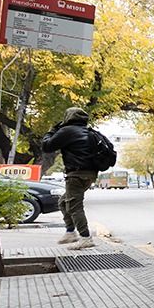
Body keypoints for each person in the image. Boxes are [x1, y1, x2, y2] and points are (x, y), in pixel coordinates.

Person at [41, 107, 99, 250]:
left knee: (74, 206)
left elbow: (47, 146)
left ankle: (85, 238)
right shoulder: (89, 131)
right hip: (90, 174)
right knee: (63, 202)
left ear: (68, 117)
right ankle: (70, 232)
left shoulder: (68, 131)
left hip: (76, 174)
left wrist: (52, 130)